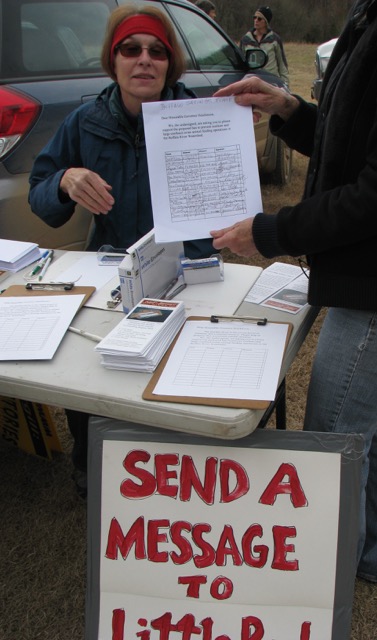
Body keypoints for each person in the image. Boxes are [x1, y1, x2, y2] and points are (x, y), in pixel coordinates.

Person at [211, 0, 377, 585]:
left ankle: (321, 591)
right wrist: (289, 109)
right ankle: (374, 559)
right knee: (375, 422)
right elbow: (358, 142)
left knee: (330, 441)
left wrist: (274, 231)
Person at [28, 3, 215, 498]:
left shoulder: (198, 119)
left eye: (157, 50)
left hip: (187, 271)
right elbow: (40, 194)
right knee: (88, 372)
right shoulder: (83, 122)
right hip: (109, 272)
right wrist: (64, 180)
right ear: (113, 60)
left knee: (179, 381)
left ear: (170, 63)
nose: (144, 59)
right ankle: (91, 461)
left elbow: (228, 206)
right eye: (130, 49)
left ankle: (177, 471)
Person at [240, 6, 288, 86]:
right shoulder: (246, 39)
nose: (256, 20)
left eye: (259, 19)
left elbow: (282, 64)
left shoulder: (275, 39)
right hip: (252, 81)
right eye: (254, 18)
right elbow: (241, 64)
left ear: (266, 22)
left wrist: (285, 84)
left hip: (272, 82)